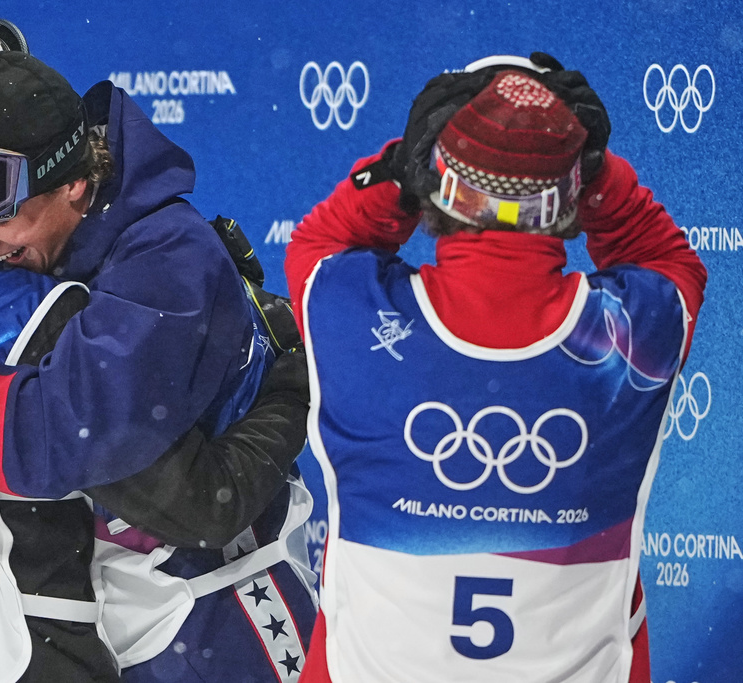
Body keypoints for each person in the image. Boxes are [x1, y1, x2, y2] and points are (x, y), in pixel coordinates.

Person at [0, 26, 315, 682]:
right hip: (45, 625)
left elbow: (189, 497)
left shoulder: (97, 280)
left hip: (201, 606)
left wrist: (293, 379)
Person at [284, 55, 706, 682]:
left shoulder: (348, 315)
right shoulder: (629, 338)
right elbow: (665, 258)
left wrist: (402, 168)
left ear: (438, 186)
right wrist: (591, 170)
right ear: (566, 201)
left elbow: (320, 244)